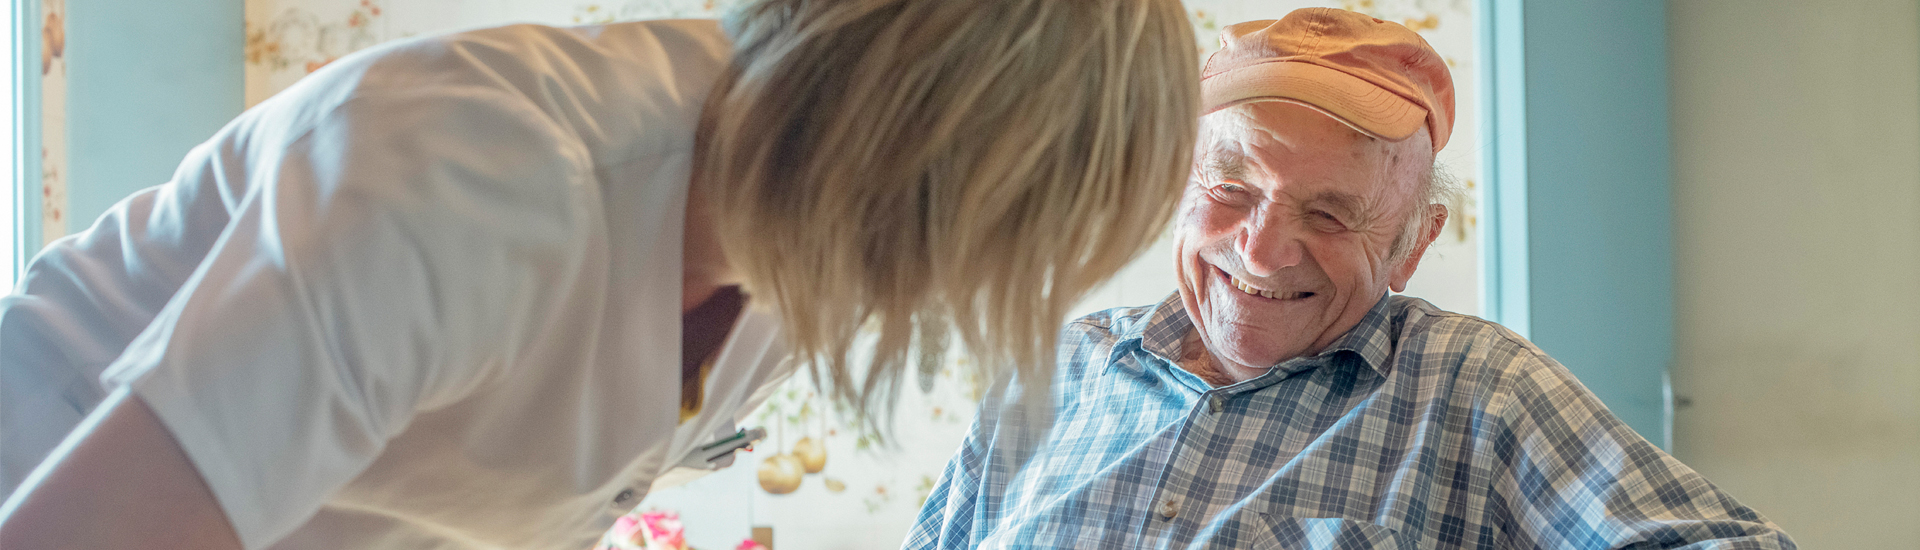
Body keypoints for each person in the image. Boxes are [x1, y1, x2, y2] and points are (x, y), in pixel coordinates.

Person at [0, 0, 1200, 548]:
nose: (949, 294)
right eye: (983, 241)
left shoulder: (781, 256)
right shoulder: (474, 178)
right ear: (889, 150)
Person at [907, 9, 1797, 549]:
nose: (1260, 252)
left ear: (1412, 246)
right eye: (1231, 189)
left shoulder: (1479, 391)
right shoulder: (1055, 372)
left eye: (1329, 216)